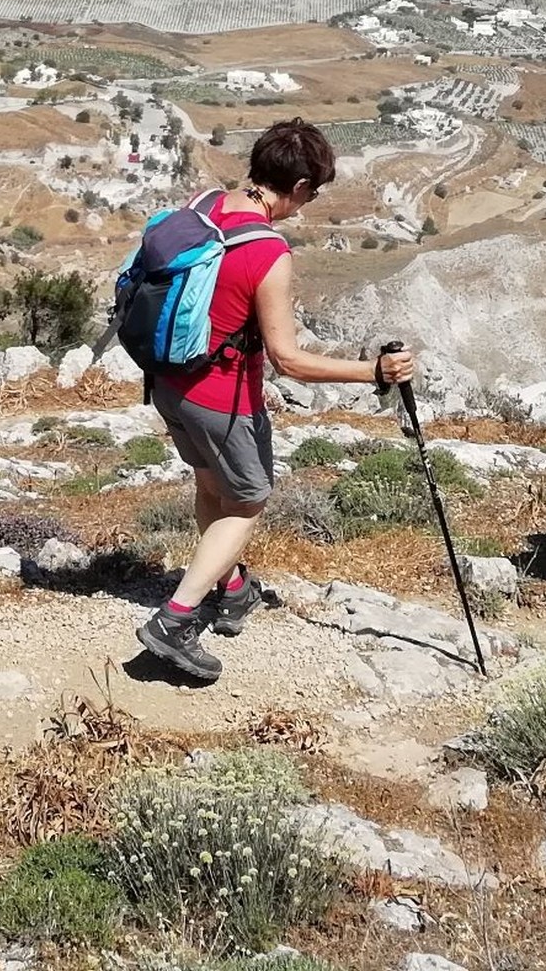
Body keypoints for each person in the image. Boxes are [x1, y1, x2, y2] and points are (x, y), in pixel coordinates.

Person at [133, 118, 416, 682]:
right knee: (248, 503)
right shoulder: (268, 253)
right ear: (303, 186)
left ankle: (232, 588)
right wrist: (373, 372)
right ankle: (176, 619)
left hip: (169, 383)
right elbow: (289, 360)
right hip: (223, 396)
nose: (308, 205)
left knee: (212, 485)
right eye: (314, 193)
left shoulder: (205, 203)